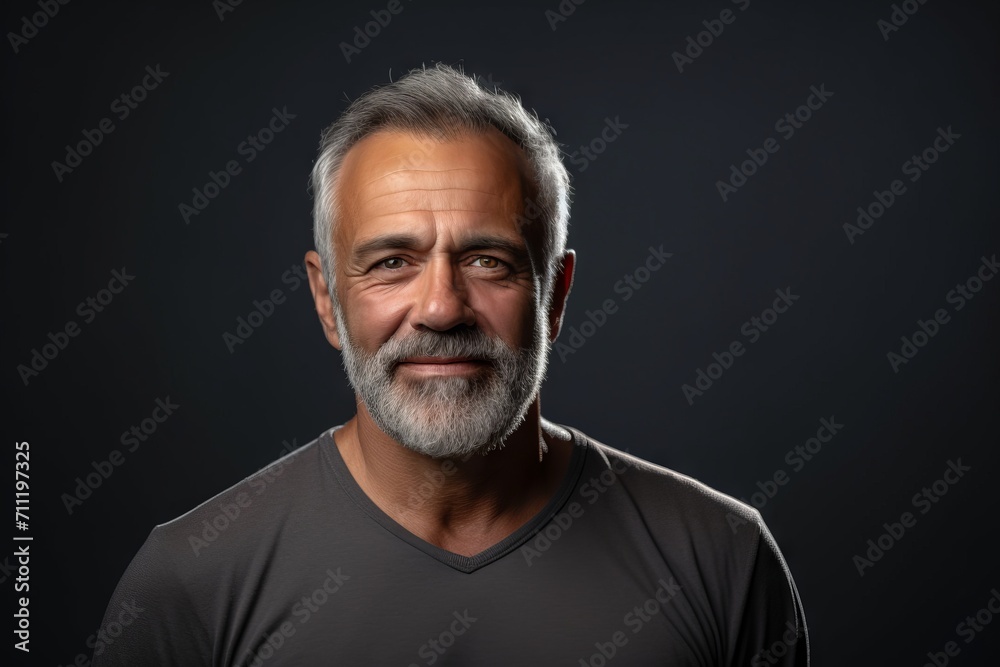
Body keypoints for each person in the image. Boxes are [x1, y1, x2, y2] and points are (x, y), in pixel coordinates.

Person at [93, 63, 809, 666]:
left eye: (487, 260)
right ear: (325, 297)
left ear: (554, 295)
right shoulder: (191, 580)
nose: (441, 307)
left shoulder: (723, 560)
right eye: (392, 262)